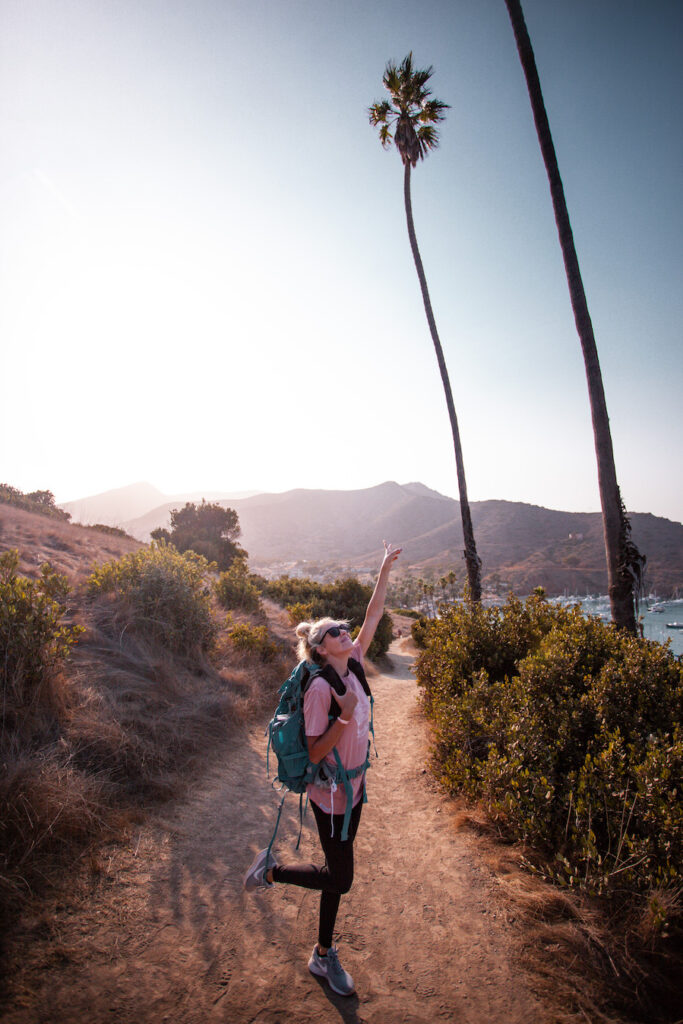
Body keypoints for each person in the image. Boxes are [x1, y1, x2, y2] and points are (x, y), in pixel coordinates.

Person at [244, 541, 401, 997]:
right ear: (319, 646)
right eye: (335, 631)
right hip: (330, 796)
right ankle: (270, 872)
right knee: (342, 878)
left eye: (344, 628)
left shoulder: (352, 665)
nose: (346, 632)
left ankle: (322, 953)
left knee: (336, 872)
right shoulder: (318, 689)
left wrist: (382, 571)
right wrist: (347, 714)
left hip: (355, 791)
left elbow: (372, 616)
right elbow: (314, 752)